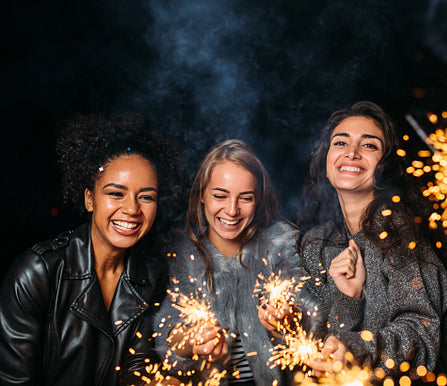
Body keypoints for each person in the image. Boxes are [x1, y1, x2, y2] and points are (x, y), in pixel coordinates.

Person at [0, 114, 181, 385]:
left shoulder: (152, 275)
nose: (132, 209)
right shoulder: (38, 272)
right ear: (88, 199)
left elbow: (137, 365)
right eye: (115, 193)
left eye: (146, 197)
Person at [125, 139, 317, 386]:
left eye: (245, 198)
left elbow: (307, 315)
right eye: (220, 195)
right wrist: (192, 340)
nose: (232, 210)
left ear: (258, 199)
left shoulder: (279, 246)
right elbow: (169, 328)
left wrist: (287, 320)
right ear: (202, 194)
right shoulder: (181, 254)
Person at [298, 101, 447, 384]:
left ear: (385, 166)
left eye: (369, 146)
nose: (352, 152)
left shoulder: (402, 236)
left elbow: (421, 337)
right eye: (340, 143)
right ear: (326, 162)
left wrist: (356, 350)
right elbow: (317, 341)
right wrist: (349, 300)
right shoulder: (316, 244)